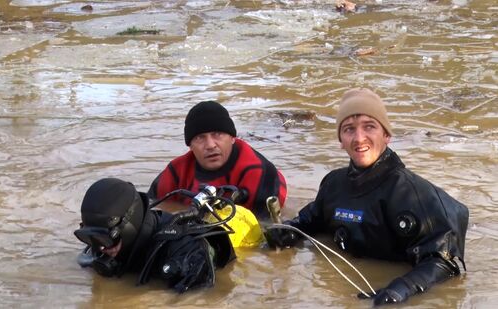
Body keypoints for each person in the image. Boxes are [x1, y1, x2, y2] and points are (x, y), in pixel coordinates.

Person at [265, 88, 469, 306]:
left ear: (386, 135)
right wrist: (288, 232)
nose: (359, 138)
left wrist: (403, 288)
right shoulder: (334, 184)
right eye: (349, 129)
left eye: (369, 126)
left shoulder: (411, 193)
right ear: (340, 140)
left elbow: (446, 263)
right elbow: (310, 220)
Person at [74, 178, 235, 293]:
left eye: (106, 238)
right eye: (90, 237)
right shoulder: (101, 244)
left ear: (129, 224)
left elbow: (199, 300)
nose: (101, 247)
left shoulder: (186, 252)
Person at [148, 100, 287, 220]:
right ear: (190, 145)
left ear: (233, 138)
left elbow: (265, 228)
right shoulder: (175, 172)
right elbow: (151, 209)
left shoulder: (258, 172)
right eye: (200, 137)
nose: (210, 145)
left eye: (217, 134)